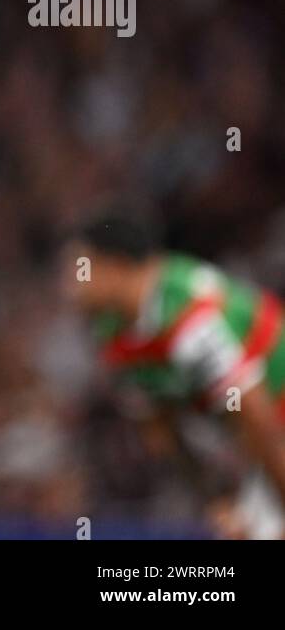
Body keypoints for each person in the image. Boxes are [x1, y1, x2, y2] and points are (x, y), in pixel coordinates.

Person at [63, 210, 285, 538]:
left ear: (115, 265)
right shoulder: (112, 336)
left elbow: (255, 416)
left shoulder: (190, 314)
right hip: (257, 443)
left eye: (79, 267)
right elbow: (162, 432)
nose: (68, 284)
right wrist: (218, 502)